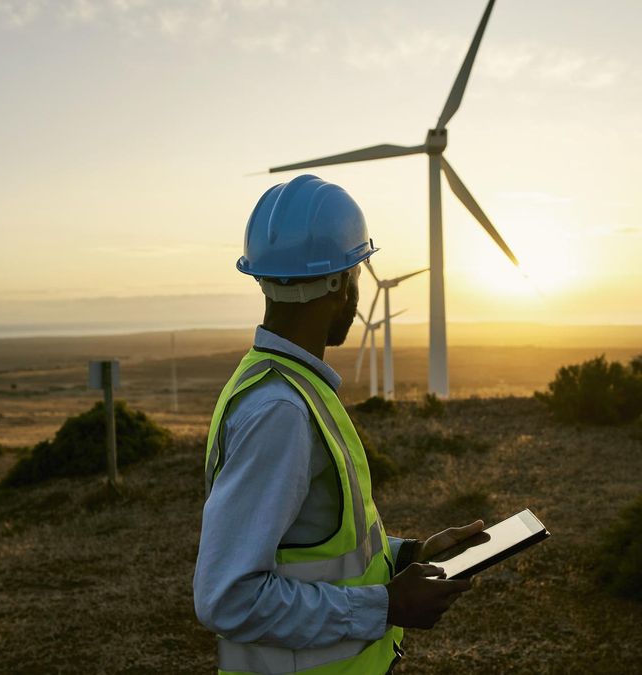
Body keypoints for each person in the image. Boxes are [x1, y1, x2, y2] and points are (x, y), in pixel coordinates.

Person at [193, 175, 487, 674]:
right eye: (357, 271)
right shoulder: (281, 411)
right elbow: (228, 598)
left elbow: (309, 548)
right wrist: (387, 606)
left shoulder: (279, 383)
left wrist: (409, 554)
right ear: (339, 284)